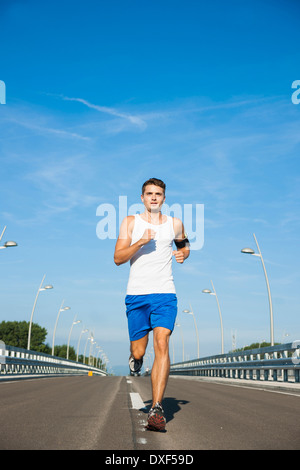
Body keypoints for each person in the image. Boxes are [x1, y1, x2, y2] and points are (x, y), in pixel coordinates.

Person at [114, 178, 190, 431]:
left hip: (165, 294)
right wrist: (139, 242)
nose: (154, 197)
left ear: (164, 198)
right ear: (142, 197)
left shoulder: (174, 223)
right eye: (149, 194)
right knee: (139, 351)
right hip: (137, 295)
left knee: (162, 342)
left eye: (158, 194)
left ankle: (157, 407)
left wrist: (183, 253)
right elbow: (117, 258)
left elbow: (184, 243)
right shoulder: (131, 222)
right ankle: (135, 358)